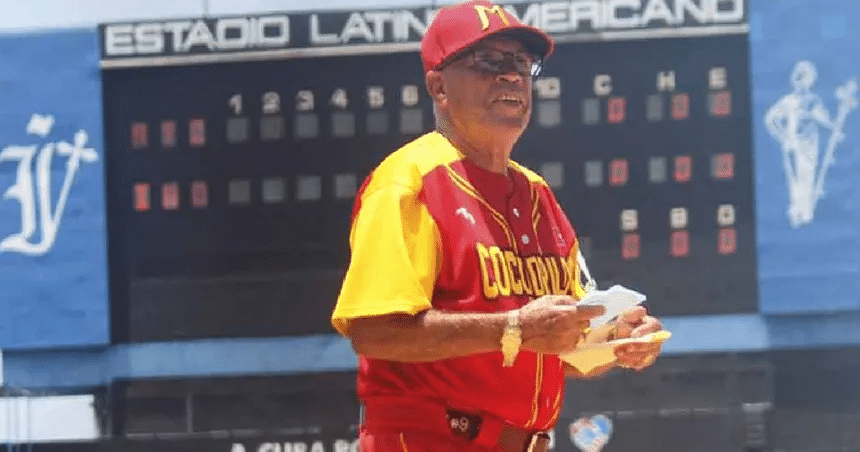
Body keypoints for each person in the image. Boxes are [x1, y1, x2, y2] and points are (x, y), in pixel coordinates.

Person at [331, 1, 664, 451]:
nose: (510, 76)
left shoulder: (537, 194)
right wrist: (513, 327)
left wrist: (615, 341)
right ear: (439, 86)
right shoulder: (407, 182)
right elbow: (374, 331)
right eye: (489, 61)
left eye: (522, 63)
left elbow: (558, 347)